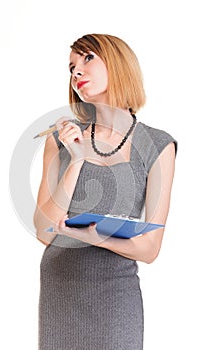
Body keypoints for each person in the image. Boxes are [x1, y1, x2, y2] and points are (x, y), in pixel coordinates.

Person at [34, 34, 177, 350]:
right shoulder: (60, 140)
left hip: (116, 294)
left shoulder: (157, 145)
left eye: (87, 59)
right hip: (61, 287)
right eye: (71, 67)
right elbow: (44, 231)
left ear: (117, 62)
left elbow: (150, 249)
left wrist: (92, 236)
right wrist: (77, 161)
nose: (76, 73)